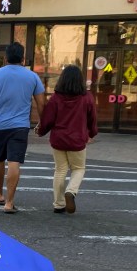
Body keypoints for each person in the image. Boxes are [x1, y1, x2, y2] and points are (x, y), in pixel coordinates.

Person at [0, 42, 45, 214]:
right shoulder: (32, 77)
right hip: (20, 126)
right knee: (14, 162)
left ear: (5, 58)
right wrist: (42, 122)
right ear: (23, 59)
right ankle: (9, 202)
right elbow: (41, 103)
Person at [36, 64, 98, 214]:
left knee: (60, 170)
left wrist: (41, 131)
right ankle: (71, 191)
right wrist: (92, 133)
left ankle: (58, 204)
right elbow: (92, 118)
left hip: (58, 139)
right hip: (77, 140)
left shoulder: (56, 98)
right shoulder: (87, 97)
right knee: (78, 168)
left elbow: (48, 119)